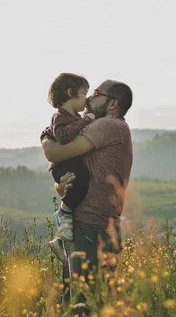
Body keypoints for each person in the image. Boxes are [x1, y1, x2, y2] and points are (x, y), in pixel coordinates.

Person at [41, 79, 134, 315]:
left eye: (96, 93)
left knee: (83, 305)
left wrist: (44, 137)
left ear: (113, 103)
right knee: (80, 302)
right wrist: (61, 189)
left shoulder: (109, 125)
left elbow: (56, 151)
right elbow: (71, 168)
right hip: (90, 225)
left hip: (91, 228)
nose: (90, 98)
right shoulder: (107, 127)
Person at [39, 73, 95, 262]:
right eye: (83, 93)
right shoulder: (60, 117)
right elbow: (63, 136)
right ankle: (63, 214)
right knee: (81, 180)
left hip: (70, 164)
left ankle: (62, 236)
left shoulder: (74, 116)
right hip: (63, 166)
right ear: (71, 93)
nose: (86, 99)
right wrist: (85, 121)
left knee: (82, 181)